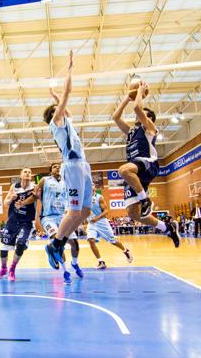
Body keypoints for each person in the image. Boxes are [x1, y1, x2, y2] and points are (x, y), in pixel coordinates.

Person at [42, 51, 94, 270]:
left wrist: (54, 97)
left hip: (84, 165)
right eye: (59, 108)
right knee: (74, 212)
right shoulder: (56, 121)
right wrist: (70, 68)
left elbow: (67, 108)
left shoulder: (66, 122)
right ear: (54, 114)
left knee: (85, 212)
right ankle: (54, 245)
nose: (64, 110)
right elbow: (68, 93)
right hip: (72, 167)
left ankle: (59, 241)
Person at [112, 81, 179, 248]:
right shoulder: (131, 131)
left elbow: (137, 109)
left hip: (147, 163)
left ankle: (145, 200)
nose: (139, 115)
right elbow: (115, 117)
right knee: (134, 214)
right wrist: (127, 98)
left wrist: (140, 92)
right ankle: (167, 228)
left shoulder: (150, 128)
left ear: (150, 119)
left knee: (123, 170)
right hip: (135, 170)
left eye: (144, 114)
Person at [18, 162, 84, 283]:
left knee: (75, 244)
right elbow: (34, 196)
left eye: (59, 166)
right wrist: (23, 202)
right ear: (50, 171)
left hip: (64, 217)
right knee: (57, 242)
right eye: (55, 167)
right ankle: (66, 271)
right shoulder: (45, 180)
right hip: (48, 217)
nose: (58, 168)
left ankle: (74, 263)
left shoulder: (66, 182)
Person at [0, 168, 36, 282]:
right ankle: (3, 268)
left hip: (26, 222)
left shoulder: (34, 187)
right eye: (25, 172)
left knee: (20, 243)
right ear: (20, 175)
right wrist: (11, 199)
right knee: (3, 248)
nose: (27, 173)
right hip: (13, 221)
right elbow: (5, 203)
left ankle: (12, 269)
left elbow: (37, 198)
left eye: (29, 172)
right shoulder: (14, 187)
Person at [86, 184, 133, 269]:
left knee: (113, 241)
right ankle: (101, 262)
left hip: (101, 222)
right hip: (91, 223)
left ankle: (126, 251)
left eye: (92, 186)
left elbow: (106, 210)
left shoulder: (99, 197)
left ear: (94, 188)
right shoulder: (84, 198)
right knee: (91, 240)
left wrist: (96, 218)